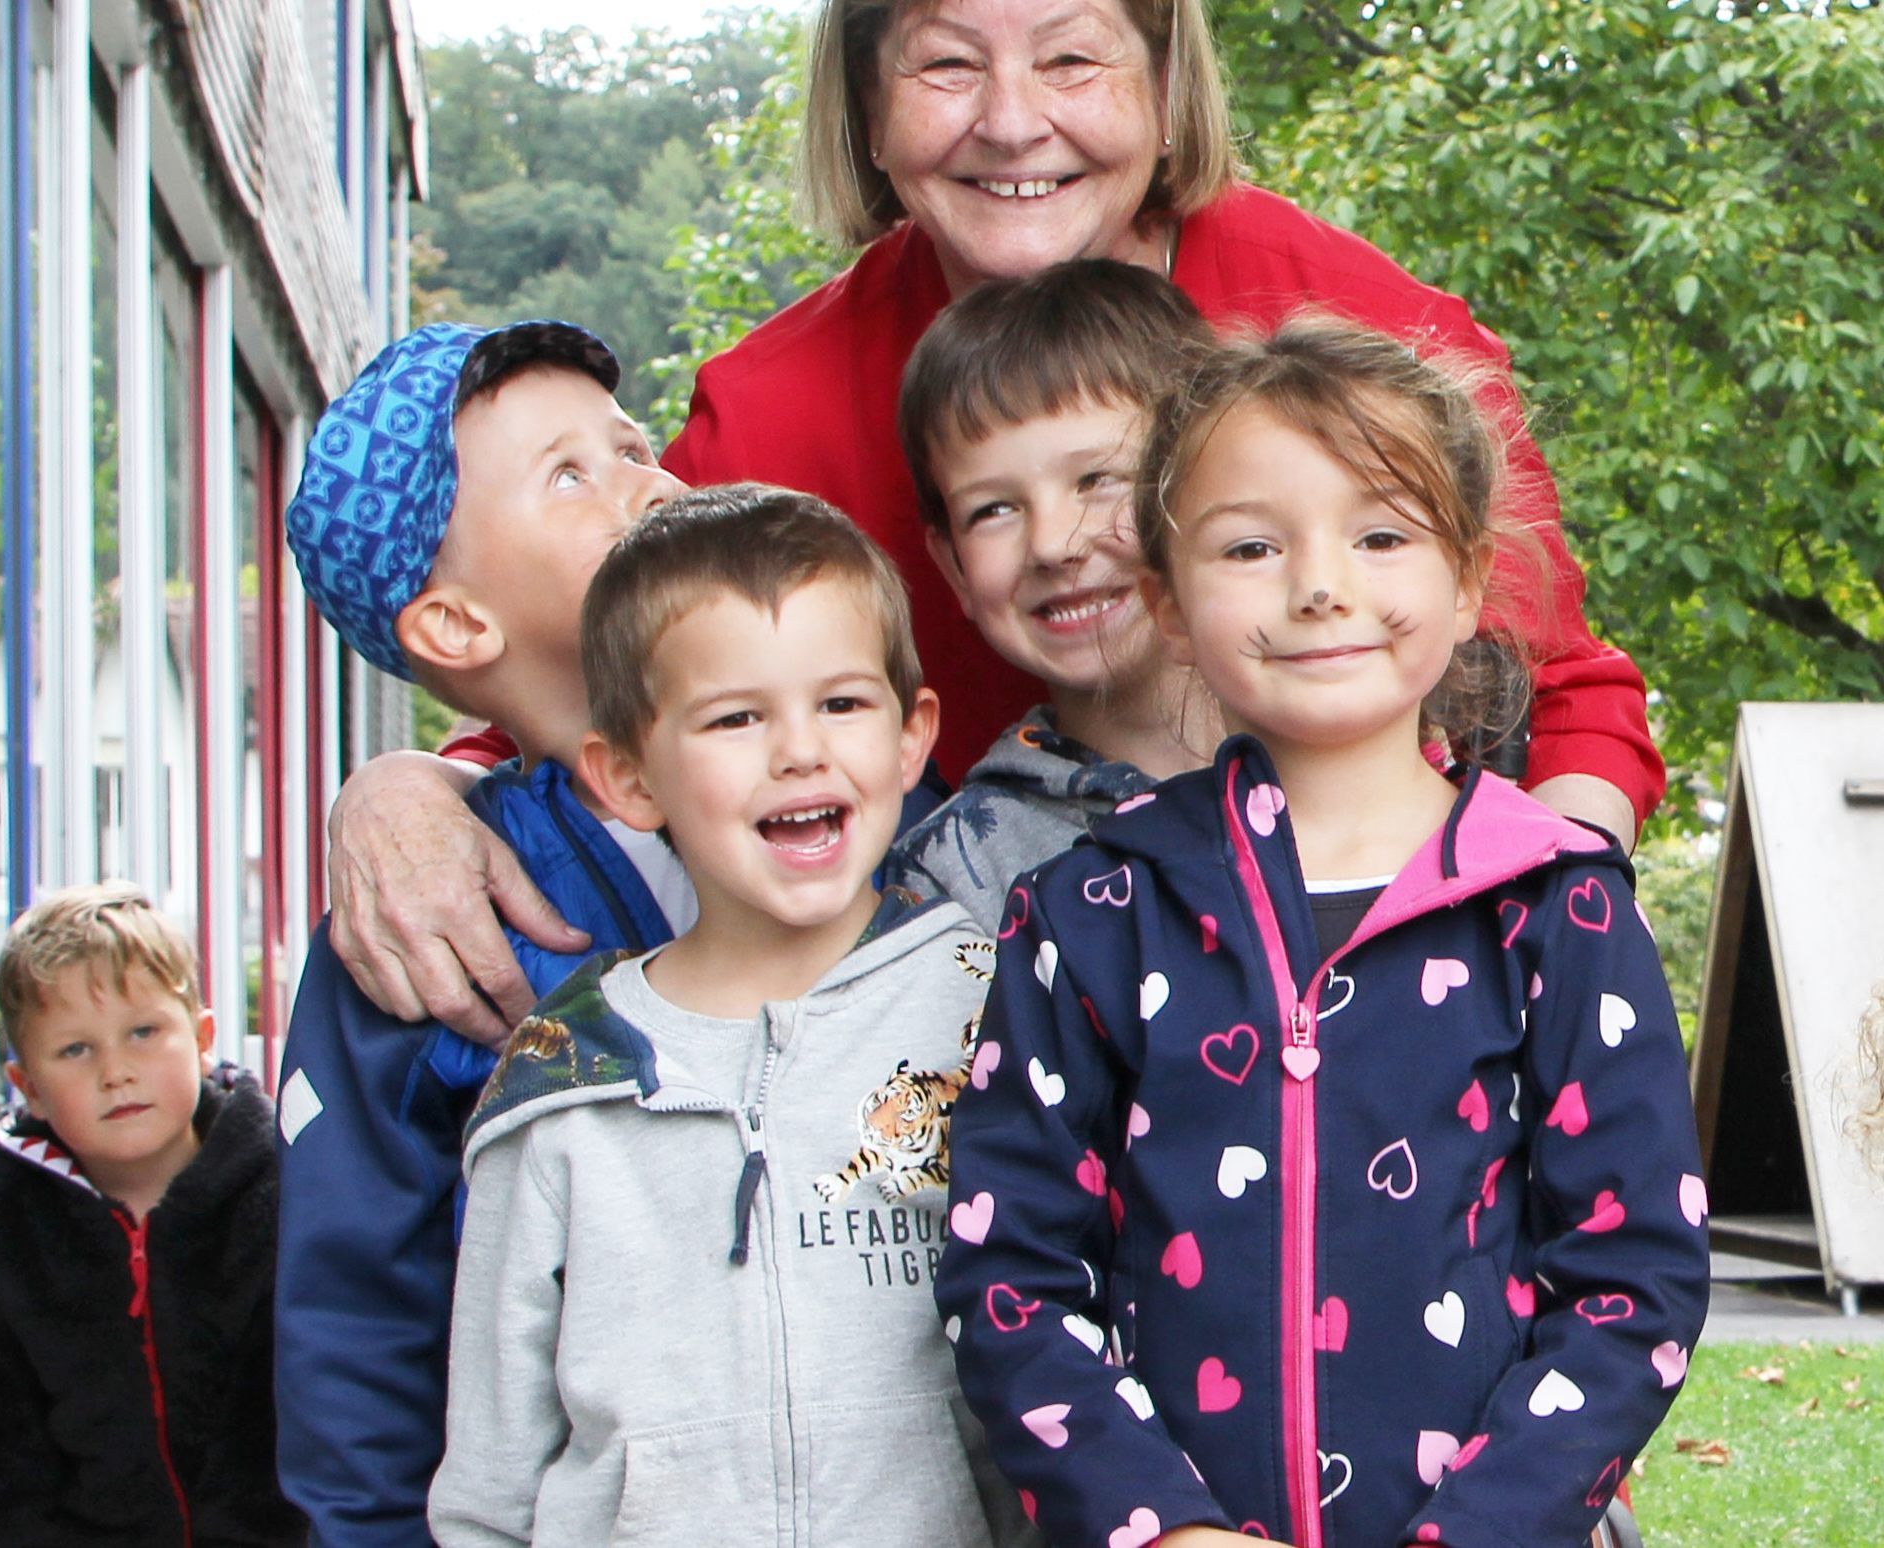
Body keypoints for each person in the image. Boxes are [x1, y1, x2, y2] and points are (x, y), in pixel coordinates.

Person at [320, 0, 1663, 1048]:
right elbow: (618, 679)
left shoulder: (1346, 325)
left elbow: (1565, 692)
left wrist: (1543, 961)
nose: (1013, 124)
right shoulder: (775, 417)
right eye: (947, 65)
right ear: (866, 106)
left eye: (1073, 60)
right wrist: (404, 787)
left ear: (1161, 81)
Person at [933, 317, 1710, 1548]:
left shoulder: (1558, 909)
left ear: (1466, 586)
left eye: (1382, 534)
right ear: (1167, 605)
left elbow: (1635, 1279)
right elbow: (1010, 1270)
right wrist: (1158, 1528)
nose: (1318, 584)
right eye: (1250, 544)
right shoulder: (1093, 912)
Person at [428, 485, 1030, 1548]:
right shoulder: (562, 1083)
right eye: (736, 717)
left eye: (842, 704)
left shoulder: (1002, 1017)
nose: (799, 751)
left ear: (909, 737)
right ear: (627, 776)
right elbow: (490, 1482)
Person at [275, 319, 689, 1547]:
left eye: (634, 444)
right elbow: (354, 1316)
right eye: (573, 474)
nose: (648, 479)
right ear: (455, 627)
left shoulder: (853, 803)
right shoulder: (415, 933)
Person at [0, 883, 301, 1547]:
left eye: (143, 1032)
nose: (116, 1071)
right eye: (75, 1050)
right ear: (28, 1086)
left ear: (202, 1037)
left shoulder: (285, 1187)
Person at [888, 258, 1221, 932]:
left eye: (1098, 479)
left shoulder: (1365, 748)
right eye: (992, 511)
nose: (1052, 544)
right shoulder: (954, 872)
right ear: (952, 567)